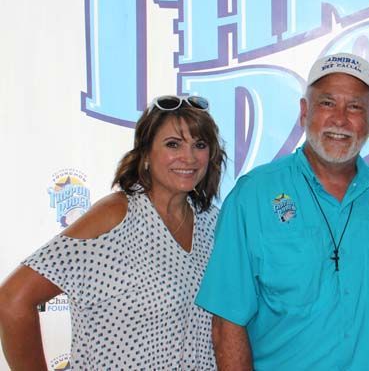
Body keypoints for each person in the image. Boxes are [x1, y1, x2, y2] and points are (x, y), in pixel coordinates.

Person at [196, 52, 369, 370]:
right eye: (327, 103)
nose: (340, 119)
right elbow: (227, 324)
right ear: (304, 112)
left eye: (355, 107)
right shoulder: (253, 195)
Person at [0, 95, 227, 369]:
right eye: (173, 144)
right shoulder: (117, 215)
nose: (189, 157)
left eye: (199, 145)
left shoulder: (212, 223)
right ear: (145, 153)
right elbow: (13, 300)